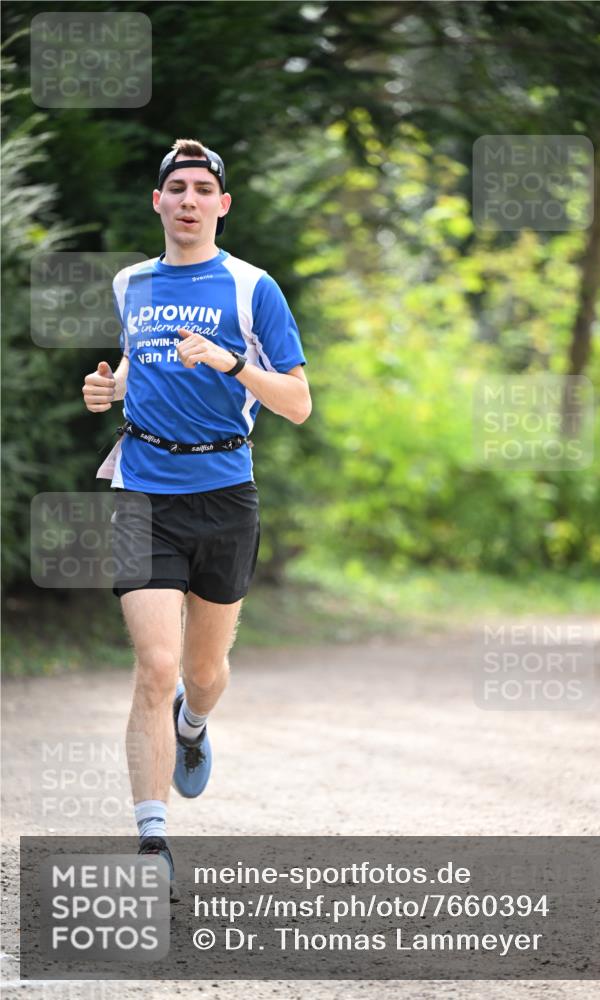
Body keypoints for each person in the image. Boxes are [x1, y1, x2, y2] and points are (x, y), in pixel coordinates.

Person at [83, 138, 310, 896]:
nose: (186, 199)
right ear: (157, 203)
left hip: (225, 493)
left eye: (199, 189)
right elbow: (131, 369)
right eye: (174, 187)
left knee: (203, 674)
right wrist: (105, 389)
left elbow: (298, 404)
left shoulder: (253, 289)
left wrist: (232, 363)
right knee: (154, 664)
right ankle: (152, 841)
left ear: (222, 203)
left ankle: (193, 724)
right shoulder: (129, 283)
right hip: (143, 491)